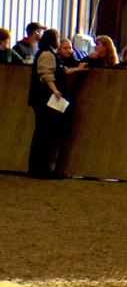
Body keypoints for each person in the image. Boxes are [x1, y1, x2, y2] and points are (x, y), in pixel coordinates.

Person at [26, 28, 87, 178]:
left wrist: (78, 69)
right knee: (44, 134)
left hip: (45, 100)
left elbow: (62, 70)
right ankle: (40, 169)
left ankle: (39, 168)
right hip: (45, 100)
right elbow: (46, 75)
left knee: (44, 133)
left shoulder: (51, 55)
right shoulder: (47, 54)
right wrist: (55, 90)